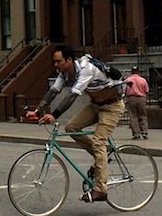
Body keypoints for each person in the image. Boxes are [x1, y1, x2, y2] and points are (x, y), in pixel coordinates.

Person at [25, 45, 125, 203]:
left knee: (99, 141)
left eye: (59, 61)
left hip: (112, 107)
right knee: (71, 128)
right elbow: (53, 91)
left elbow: (72, 96)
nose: (55, 65)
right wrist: (37, 111)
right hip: (96, 105)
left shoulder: (86, 69)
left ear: (69, 60)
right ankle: (102, 156)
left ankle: (100, 190)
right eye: (54, 61)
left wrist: (54, 115)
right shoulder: (64, 73)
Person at [125, 66, 150, 140]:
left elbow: (124, 90)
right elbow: (147, 90)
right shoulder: (143, 80)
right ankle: (144, 132)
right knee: (143, 115)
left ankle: (136, 134)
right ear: (138, 72)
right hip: (141, 98)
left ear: (131, 72)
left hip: (131, 98)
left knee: (133, 116)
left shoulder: (128, 80)